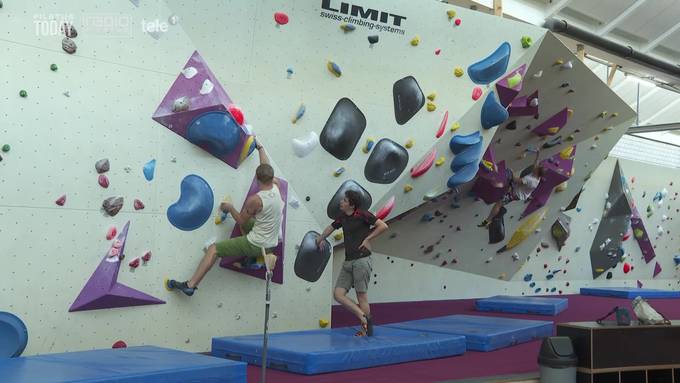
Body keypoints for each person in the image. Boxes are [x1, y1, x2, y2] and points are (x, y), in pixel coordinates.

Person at [167, 141, 283, 296]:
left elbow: (241, 220)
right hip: (271, 240)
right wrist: (260, 147)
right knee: (247, 224)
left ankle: (190, 284)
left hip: (258, 243)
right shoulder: (275, 184)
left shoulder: (255, 200)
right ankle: (254, 258)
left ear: (257, 179)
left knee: (214, 249)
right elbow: (266, 167)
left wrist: (229, 208)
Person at [316, 190, 388, 336]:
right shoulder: (342, 217)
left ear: (351, 204)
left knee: (361, 295)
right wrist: (320, 238)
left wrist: (368, 238)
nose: (341, 202)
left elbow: (383, 226)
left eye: (344, 200)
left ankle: (366, 329)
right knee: (338, 294)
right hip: (349, 261)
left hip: (362, 260)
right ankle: (363, 316)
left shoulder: (363, 214)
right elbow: (331, 227)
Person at [478, 149, 545, 228]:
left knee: (498, 204)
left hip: (515, 194)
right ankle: (494, 181)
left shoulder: (531, 180)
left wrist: (512, 172)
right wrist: (538, 153)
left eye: (536, 168)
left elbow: (515, 180)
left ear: (537, 172)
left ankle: (488, 220)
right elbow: (536, 164)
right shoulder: (537, 175)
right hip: (517, 189)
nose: (535, 167)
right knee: (506, 175)